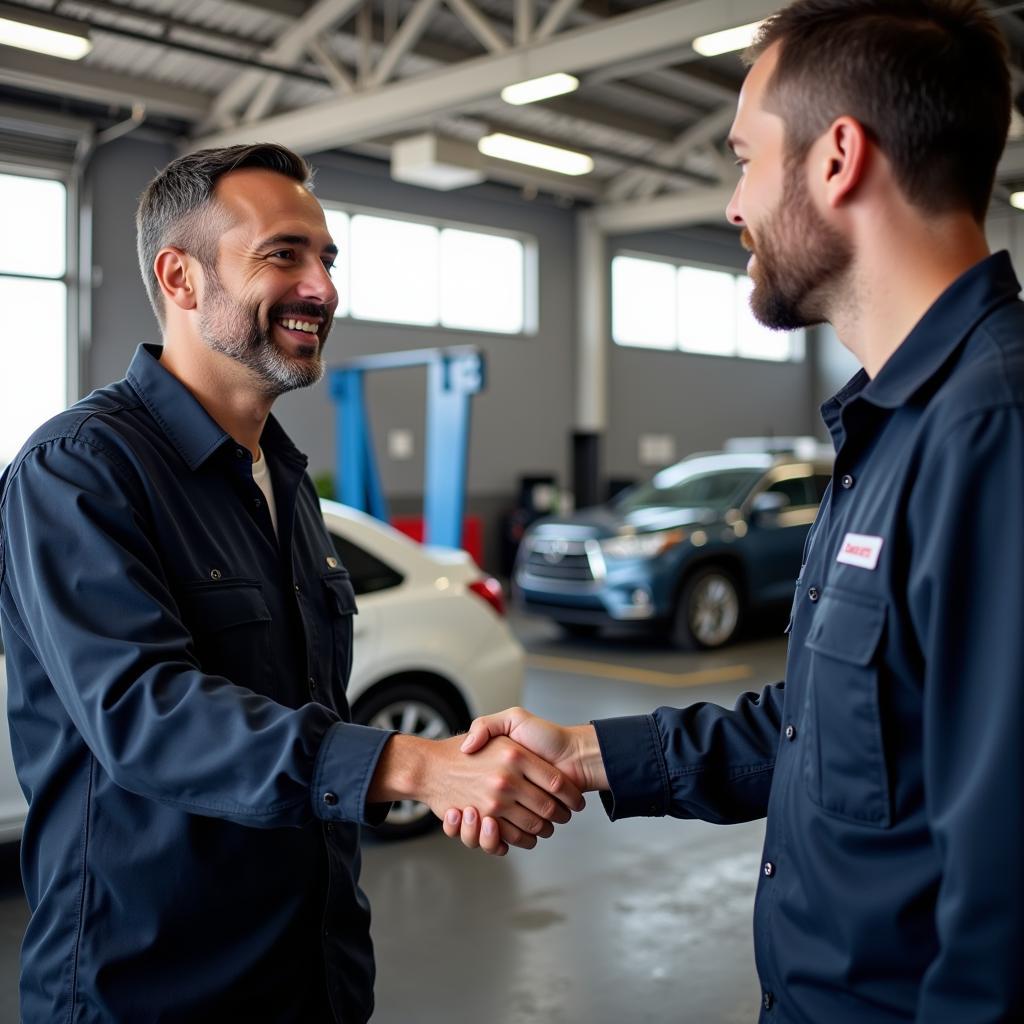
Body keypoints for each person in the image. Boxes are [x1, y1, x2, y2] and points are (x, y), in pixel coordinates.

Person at [446, 1, 1024, 1020]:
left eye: (744, 158)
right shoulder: (889, 430)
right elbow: (827, 731)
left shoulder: (992, 434)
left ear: (838, 157)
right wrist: (583, 753)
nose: (731, 203)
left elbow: (1008, 907)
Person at [0, 144, 583, 1022]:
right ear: (181, 278)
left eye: (327, 259)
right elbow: (145, 711)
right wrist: (413, 765)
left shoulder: (284, 477)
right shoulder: (78, 471)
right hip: (150, 991)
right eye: (284, 255)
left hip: (310, 971)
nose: (322, 289)